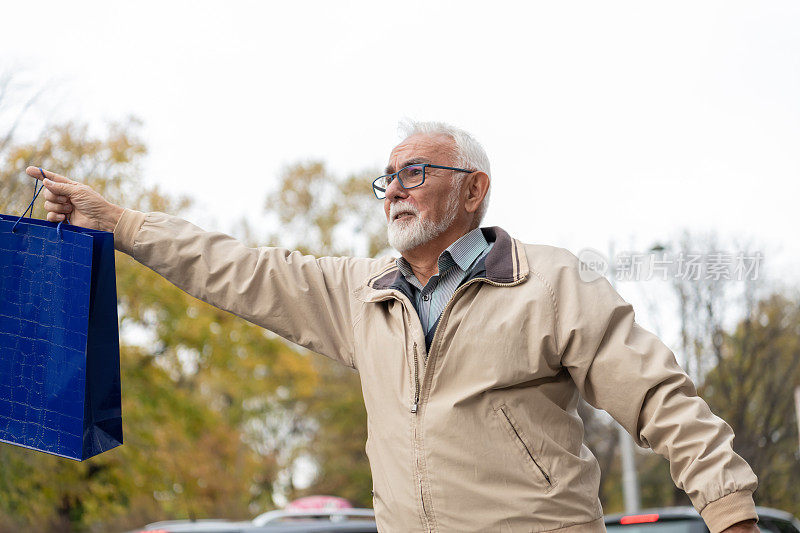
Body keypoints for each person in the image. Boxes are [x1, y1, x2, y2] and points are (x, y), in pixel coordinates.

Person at [31, 121, 759, 533]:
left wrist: (730, 514)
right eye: (387, 179)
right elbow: (239, 268)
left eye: (416, 171)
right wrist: (121, 222)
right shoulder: (361, 294)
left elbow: (665, 401)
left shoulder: (553, 281)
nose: (395, 191)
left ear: (474, 189)